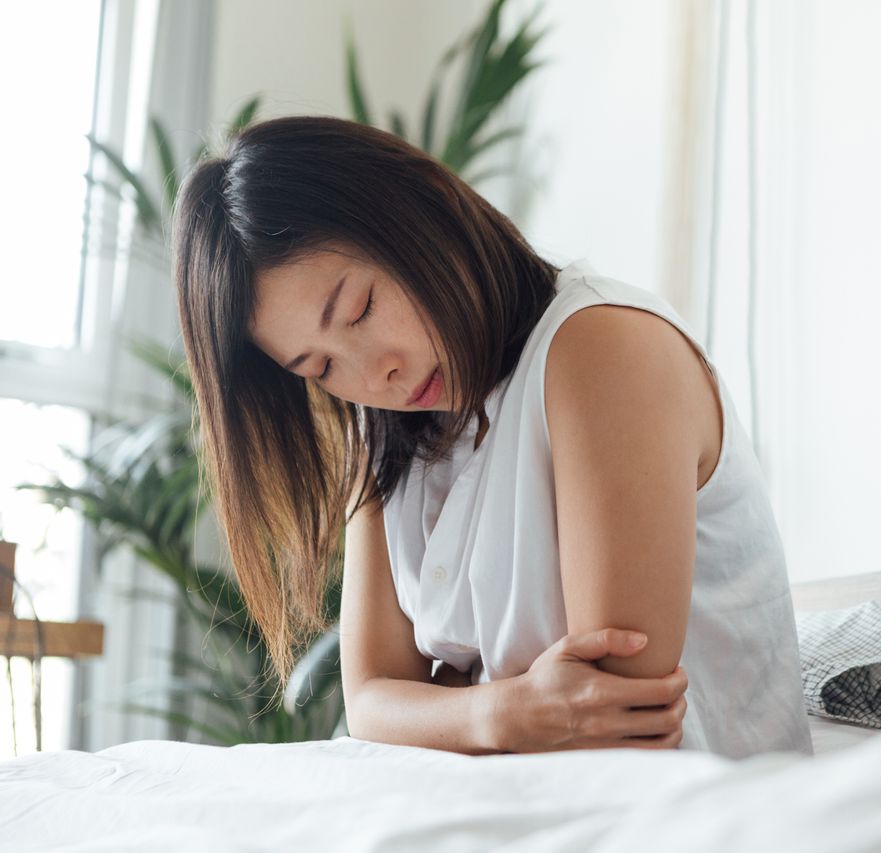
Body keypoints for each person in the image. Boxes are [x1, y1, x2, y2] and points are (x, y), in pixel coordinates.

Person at [171, 115, 813, 759]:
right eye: (320, 367)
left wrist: (448, 697)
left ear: (423, 210)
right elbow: (369, 703)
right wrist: (499, 710)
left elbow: (615, 711)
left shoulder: (602, 349)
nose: (376, 374)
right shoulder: (383, 435)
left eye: (362, 308)